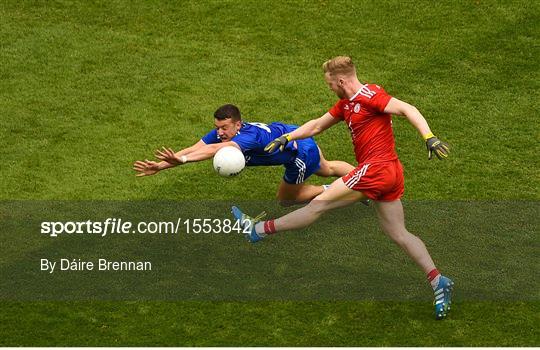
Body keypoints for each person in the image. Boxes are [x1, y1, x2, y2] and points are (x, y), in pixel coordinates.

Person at [231, 56, 454, 320]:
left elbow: (408, 109)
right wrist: (287, 137)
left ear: (341, 80)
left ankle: (257, 230)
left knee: (318, 204)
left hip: (376, 169)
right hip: (390, 172)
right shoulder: (346, 104)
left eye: (330, 85)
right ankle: (438, 280)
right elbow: (316, 125)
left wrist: (428, 137)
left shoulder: (371, 96)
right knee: (398, 233)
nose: (330, 89)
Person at [133, 104, 355, 205]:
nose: (220, 133)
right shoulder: (223, 134)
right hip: (296, 135)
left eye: (225, 128)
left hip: (299, 152)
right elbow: (195, 148)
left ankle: (340, 189)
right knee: (327, 168)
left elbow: (211, 151)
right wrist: (160, 166)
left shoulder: (248, 138)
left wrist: (181, 160)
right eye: (217, 128)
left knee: (286, 199)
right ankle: (363, 178)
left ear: (238, 125)